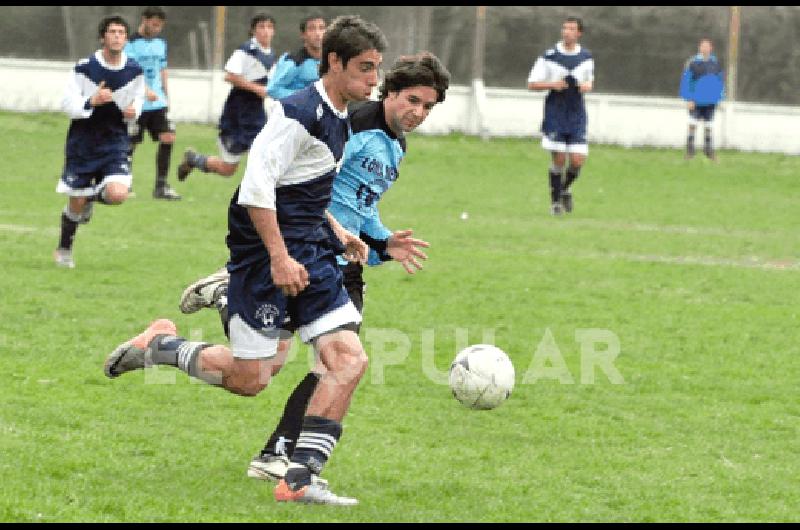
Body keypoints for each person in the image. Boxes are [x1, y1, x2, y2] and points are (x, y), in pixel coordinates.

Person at [104, 15, 388, 506]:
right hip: (267, 257)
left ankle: (298, 481)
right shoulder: (298, 113)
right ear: (335, 63)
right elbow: (256, 190)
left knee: (348, 359)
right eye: (365, 68)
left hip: (312, 253)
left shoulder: (339, 114)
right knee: (249, 379)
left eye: (377, 69)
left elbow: (304, 188)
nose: (373, 80)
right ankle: (161, 346)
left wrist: (339, 232)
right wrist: (278, 258)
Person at [177, 52, 450, 485]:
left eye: (428, 107)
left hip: (344, 260)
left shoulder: (396, 145)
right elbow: (302, 185)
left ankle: (276, 450)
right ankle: (232, 302)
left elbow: (364, 204)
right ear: (391, 92)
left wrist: (383, 242)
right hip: (312, 250)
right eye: (412, 101)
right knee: (301, 367)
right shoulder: (353, 124)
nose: (418, 113)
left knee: (296, 369)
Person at [54, 15, 144, 269]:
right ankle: (64, 248)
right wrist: (91, 101)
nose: (117, 36)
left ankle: (91, 198)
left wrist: (133, 111)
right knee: (75, 204)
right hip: (82, 143)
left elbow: (138, 99)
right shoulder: (85, 68)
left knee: (118, 194)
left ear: (126, 38)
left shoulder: (134, 70)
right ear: (102, 37)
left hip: (115, 142)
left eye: (121, 32)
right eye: (112, 32)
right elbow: (66, 104)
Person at [176, 13, 277, 181]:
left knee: (265, 156)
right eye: (261, 27)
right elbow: (230, 76)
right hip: (237, 113)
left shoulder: (271, 54)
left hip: (257, 114)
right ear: (253, 30)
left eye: (269, 27)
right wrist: (256, 89)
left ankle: (261, 199)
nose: (265, 31)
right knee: (228, 169)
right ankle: (193, 159)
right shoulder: (246, 51)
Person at [527, 16, 594, 216]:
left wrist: (587, 86)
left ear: (579, 33)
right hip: (556, 112)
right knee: (559, 159)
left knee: (577, 160)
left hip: (576, 112)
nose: (567, 32)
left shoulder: (586, 57)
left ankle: (564, 189)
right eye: (565, 28)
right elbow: (532, 84)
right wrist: (552, 84)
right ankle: (555, 202)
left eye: (572, 29)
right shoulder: (549, 56)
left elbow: (590, 81)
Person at [124, 6, 181, 200]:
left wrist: (166, 95)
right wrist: (144, 91)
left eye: (160, 26)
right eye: (154, 24)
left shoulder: (160, 43)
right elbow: (128, 72)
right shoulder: (129, 44)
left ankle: (161, 186)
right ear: (144, 20)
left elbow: (162, 69)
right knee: (131, 143)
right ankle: (125, 183)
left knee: (168, 137)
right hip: (136, 102)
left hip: (158, 103)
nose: (156, 29)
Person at [679, 38, 724, 161]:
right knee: (693, 123)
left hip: (710, 100)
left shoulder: (715, 64)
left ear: (711, 48)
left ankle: (708, 150)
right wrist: (689, 99)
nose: (705, 48)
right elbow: (687, 81)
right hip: (696, 100)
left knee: (709, 125)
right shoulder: (693, 63)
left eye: (707, 46)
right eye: (703, 46)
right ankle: (690, 151)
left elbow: (719, 82)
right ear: (700, 48)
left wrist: (719, 98)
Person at [267, 14, 326, 100]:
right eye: (312, 29)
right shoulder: (293, 61)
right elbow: (272, 90)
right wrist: (306, 97)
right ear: (303, 35)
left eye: (321, 28)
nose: (318, 33)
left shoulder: (331, 60)